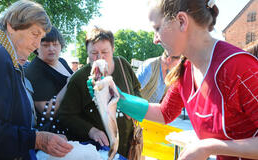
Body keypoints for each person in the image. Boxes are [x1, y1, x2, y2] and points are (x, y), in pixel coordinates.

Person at [88, 0, 258, 159]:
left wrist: (209, 146)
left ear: (182, 21)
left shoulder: (238, 67)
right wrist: (117, 98)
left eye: (157, 28)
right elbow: (165, 112)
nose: (155, 39)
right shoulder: (185, 70)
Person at [0, 1, 73, 159]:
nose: (36, 45)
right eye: (35, 34)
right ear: (11, 25)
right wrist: (37, 139)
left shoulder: (5, 56)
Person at [57, 26, 141, 157]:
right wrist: (91, 130)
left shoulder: (123, 65)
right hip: (98, 152)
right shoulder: (79, 79)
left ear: (113, 50)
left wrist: (133, 109)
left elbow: (136, 88)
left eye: (105, 52)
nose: (99, 57)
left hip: (128, 147)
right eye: (94, 53)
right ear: (87, 52)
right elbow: (65, 115)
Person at [25, 26, 73, 131]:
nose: (51, 49)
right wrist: (70, 84)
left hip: (73, 121)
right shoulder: (34, 70)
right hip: (56, 132)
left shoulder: (62, 61)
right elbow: (47, 112)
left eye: (55, 44)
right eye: (45, 45)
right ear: (36, 47)